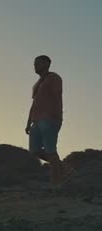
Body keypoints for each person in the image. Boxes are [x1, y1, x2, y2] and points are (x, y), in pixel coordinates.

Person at [25, 55, 73, 188]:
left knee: (50, 150)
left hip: (50, 119)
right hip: (36, 121)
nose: (35, 66)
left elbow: (58, 97)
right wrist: (28, 122)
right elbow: (34, 104)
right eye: (34, 63)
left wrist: (58, 116)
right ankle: (64, 168)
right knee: (34, 151)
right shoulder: (37, 84)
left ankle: (56, 182)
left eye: (38, 63)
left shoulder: (54, 78)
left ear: (47, 64)